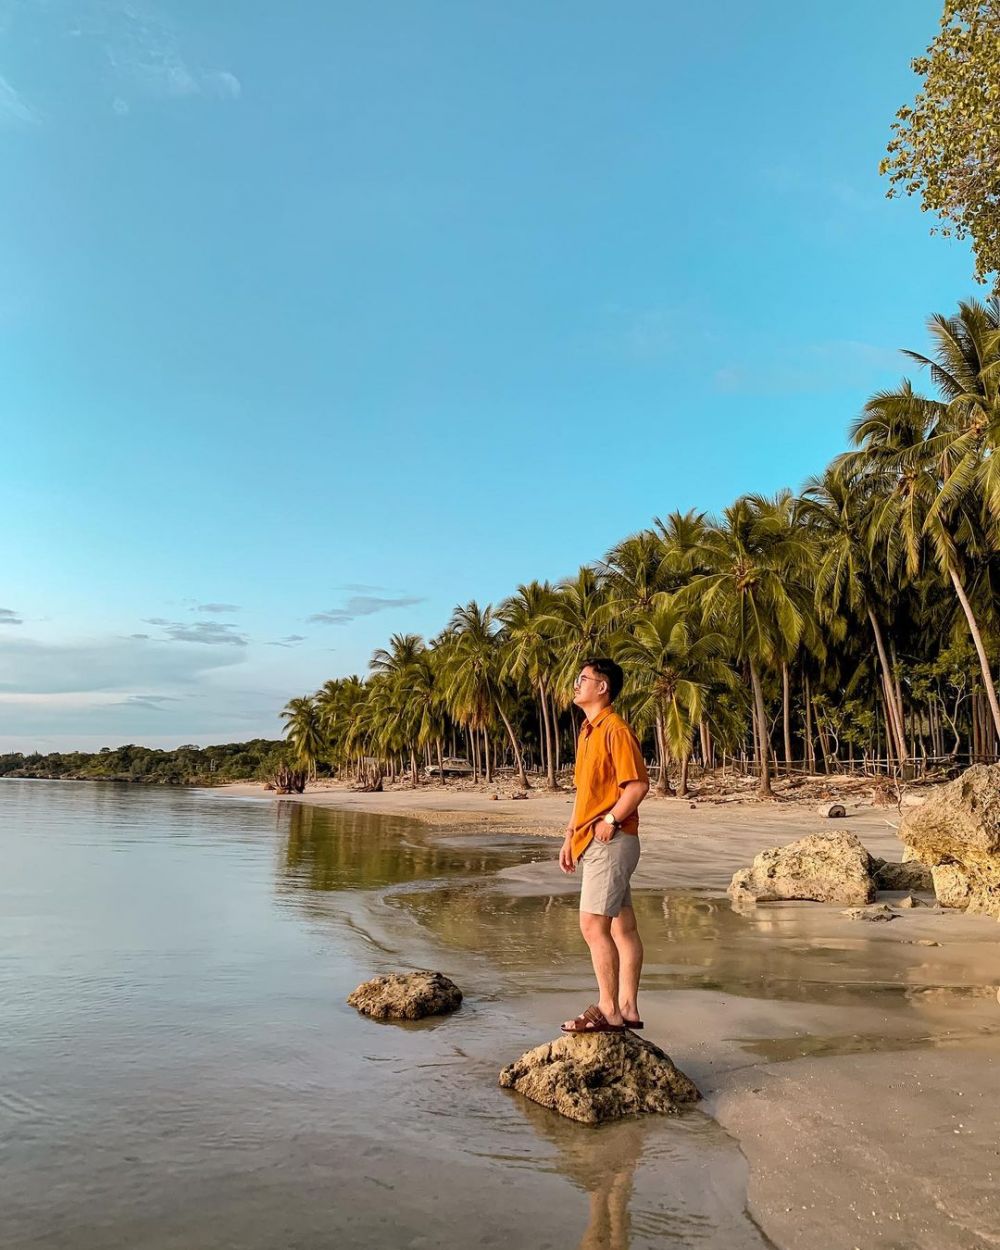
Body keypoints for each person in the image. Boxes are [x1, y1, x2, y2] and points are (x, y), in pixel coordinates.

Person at [559, 657, 649, 1033]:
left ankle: (608, 1010)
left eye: (583, 679)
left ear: (603, 687)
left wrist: (610, 821)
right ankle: (627, 1007)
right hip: (596, 839)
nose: (576, 684)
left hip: (612, 840)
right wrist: (569, 837)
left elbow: (638, 785)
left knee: (593, 926)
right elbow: (586, 795)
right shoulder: (588, 731)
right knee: (621, 928)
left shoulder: (614, 729)